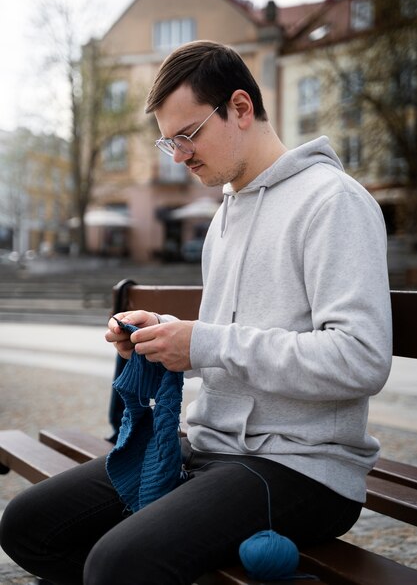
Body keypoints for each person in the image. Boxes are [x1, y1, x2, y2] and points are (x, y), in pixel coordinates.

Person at [0, 40, 392, 585]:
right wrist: (164, 338)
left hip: (303, 468)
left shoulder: (333, 203)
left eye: (188, 136)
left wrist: (203, 343)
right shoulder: (225, 215)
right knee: (27, 524)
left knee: (117, 566)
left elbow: (361, 359)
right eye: (170, 143)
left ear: (240, 107)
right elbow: (224, 343)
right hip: (209, 446)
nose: (180, 156)